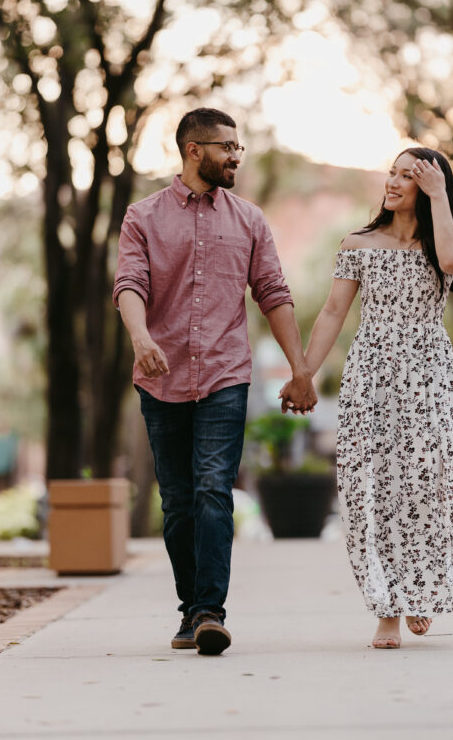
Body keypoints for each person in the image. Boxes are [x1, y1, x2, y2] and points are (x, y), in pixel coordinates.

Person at [113, 108, 317, 656]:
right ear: (193, 150)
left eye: (239, 147)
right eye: (227, 147)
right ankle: (190, 610)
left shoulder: (249, 220)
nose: (236, 156)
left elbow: (273, 292)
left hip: (226, 373)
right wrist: (141, 338)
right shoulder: (142, 216)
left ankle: (209, 611)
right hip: (161, 375)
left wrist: (300, 369)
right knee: (177, 499)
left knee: (212, 488)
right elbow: (129, 283)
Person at [283, 146, 453, 649]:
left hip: (429, 376)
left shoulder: (443, 246)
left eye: (405, 176)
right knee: (374, 487)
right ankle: (387, 608)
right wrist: (303, 373)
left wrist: (438, 196)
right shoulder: (359, 242)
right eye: (390, 173)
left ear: (429, 187)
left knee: (433, 484)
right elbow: (331, 313)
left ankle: (422, 590)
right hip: (371, 375)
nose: (391, 183)